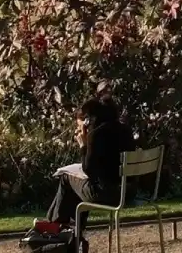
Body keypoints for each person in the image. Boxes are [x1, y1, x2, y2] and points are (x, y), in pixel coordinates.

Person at [47, 96, 135, 226]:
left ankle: (56, 227)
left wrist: (83, 145)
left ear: (88, 120)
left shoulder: (97, 134)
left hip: (106, 194)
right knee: (76, 186)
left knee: (66, 178)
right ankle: (62, 226)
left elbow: (88, 170)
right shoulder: (126, 130)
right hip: (129, 193)